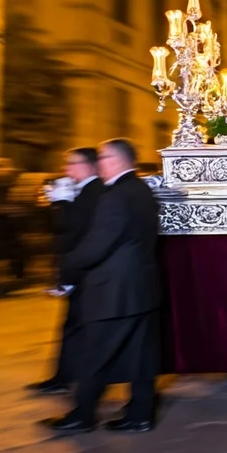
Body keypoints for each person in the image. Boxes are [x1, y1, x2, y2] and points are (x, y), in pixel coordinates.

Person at [40, 139, 162, 434]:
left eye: (104, 157)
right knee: (142, 357)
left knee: (95, 355)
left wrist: (66, 265)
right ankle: (141, 414)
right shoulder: (142, 190)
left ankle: (82, 415)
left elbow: (96, 246)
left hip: (114, 291)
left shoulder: (115, 196)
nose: (100, 163)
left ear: (119, 160)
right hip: (142, 289)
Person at [26, 147, 104, 395]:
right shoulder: (81, 191)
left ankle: (78, 382)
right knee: (71, 325)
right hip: (76, 270)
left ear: (90, 165)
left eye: (72, 163)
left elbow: (73, 230)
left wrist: (61, 203)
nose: (66, 168)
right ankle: (63, 376)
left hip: (86, 271)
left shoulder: (94, 192)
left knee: (79, 327)